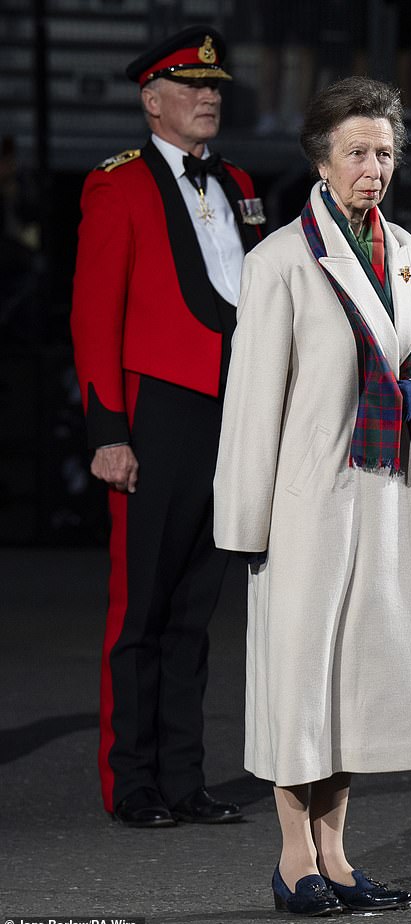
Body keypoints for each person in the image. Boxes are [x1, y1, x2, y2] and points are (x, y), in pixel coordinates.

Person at [213, 77, 411, 915]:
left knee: (353, 680)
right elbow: (250, 406)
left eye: (385, 152)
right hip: (304, 503)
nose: (373, 167)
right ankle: (293, 859)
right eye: (357, 151)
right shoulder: (278, 258)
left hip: (386, 491)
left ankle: (339, 856)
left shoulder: (406, 251)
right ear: (321, 158)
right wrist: (245, 524)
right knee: (300, 681)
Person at [70, 25, 265, 828]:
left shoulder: (245, 181)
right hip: (157, 413)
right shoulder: (116, 187)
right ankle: (135, 782)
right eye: (191, 86)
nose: (209, 96)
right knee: (141, 607)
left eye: (215, 86)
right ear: (153, 101)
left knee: (196, 609)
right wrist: (107, 428)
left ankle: (185, 777)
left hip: (233, 410)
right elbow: (92, 317)